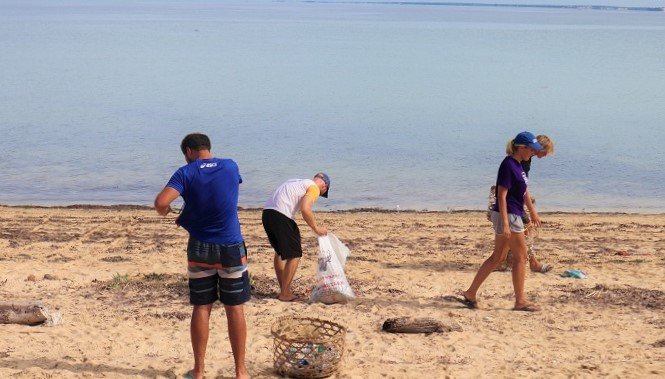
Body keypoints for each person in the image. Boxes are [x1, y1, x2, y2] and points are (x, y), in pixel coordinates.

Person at [154, 133, 250, 379]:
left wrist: (171, 211)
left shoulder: (185, 173)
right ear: (207, 147)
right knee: (235, 307)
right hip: (231, 246)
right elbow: (219, 197)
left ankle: (199, 371)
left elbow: (161, 202)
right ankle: (240, 372)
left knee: (202, 307)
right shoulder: (230, 165)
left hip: (200, 247)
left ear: (188, 151)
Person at [461, 131, 543, 312]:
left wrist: (532, 212)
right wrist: (506, 223)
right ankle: (520, 301)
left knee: (497, 257)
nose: (533, 153)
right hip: (509, 214)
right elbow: (501, 195)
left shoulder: (520, 166)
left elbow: (523, 192)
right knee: (521, 257)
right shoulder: (508, 165)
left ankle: (470, 293)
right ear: (521, 148)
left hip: (511, 214)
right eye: (531, 149)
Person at [262, 173, 330, 302]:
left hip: (267, 213)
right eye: (323, 193)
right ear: (325, 186)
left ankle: (284, 290)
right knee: (295, 254)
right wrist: (316, 228)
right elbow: (305, 209)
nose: (320, 195)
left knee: (280, 253)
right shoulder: (314, 187)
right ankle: (285, 293)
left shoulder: (295, 181)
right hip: (282, 215)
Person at [498, 135, 555, 273]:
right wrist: (532, 211)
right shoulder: (520, 160)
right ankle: (530, 263)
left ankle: (503, 261)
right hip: (511, 202)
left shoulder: (526, 159)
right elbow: (522, 189)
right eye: (545, 152)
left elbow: (523, 186)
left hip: (515, 200)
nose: (546, 155)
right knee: (522, 230)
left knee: (513, 235)